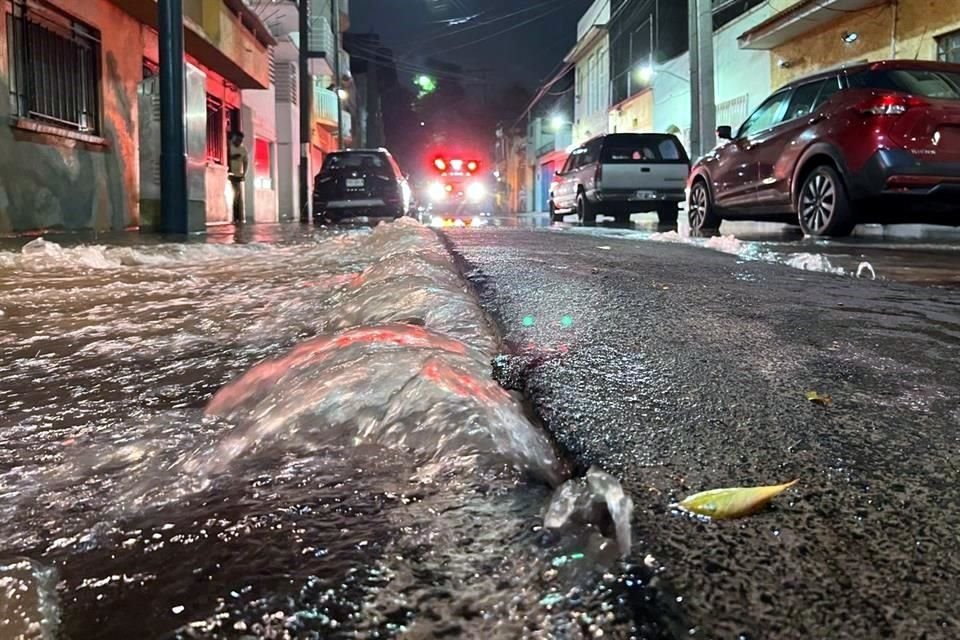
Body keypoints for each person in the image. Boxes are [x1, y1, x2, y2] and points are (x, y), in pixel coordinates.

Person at [228, 131, 248, 224]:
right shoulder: (228, 147)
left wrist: (244, 174)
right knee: (235, 194)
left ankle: (237, 217)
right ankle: (235, 216)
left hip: (238, 175)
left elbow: (245, 162)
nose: (238, 142)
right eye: (237, 140)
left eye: (240, 140)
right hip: (229, 174)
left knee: (237, 195)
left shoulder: (243, 149)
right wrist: (232, 157)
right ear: (233, 138)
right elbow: (225, 157)